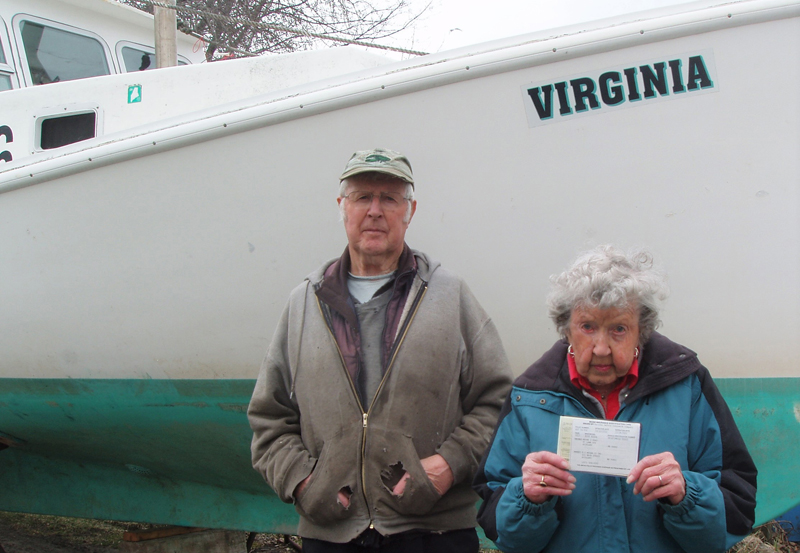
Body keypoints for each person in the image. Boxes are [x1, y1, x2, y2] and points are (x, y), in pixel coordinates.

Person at [248, 148, 512, 552]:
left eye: (389, 198)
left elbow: (496, 401)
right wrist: (305, 482)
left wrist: (447, 465)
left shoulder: (450, 296)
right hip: (331, 533)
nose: (374, 210)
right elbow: (269, 418)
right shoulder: (303, 303)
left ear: (411, 210)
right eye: (362, 196)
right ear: (342, 207)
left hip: (434, 533)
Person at [474, 245, 757, 553]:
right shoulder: (529, 398)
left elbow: (736, 513)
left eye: (619, 329)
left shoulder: (686, 386)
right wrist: (527, 499)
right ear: (566, 328)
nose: (601, 349)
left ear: (642, 331)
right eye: (587, 327)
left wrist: (686, 495)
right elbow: (501, 533)